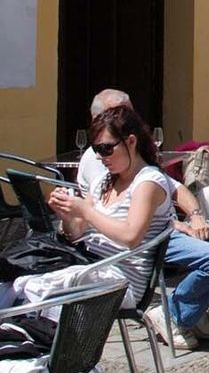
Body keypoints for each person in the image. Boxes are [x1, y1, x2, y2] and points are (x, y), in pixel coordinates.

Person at [77, 89, 209, 349]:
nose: (131, 116)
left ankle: (197, 307)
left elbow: (174, 188)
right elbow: (129, 222)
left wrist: (196, 215)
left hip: (162, 227)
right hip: (152, 236)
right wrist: (175, 223)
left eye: (129, 111)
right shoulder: (102, 158)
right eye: (122, 112)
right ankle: (178, 313)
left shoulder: (134, 161)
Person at [49, 107, 175, 320]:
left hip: (122, 281)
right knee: (15, 284)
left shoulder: (148, 182)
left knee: (40, 291)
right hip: (91, 268)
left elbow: (130, 236)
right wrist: (67, 215)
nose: (100, 157)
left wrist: (86, 211)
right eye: (96, 149)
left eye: (106, 149)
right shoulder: (104, 181)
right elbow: (76, 233)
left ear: (131, 142)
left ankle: (57, 349)